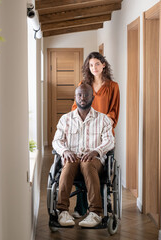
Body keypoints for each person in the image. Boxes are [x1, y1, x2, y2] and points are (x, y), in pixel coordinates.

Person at [52, 83, 115, 228]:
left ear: (92, 97)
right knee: (68, 163)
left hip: (94, 161)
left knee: (87, 163)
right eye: (79, 95)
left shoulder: (103, 119)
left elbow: (110, 141)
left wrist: (96, 151)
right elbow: (57, 141)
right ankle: (62, 211)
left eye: (86, 95)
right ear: (75, 97)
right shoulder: (65, 119)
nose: (82, 98)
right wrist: (64, 151)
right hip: (72, 158)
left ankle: (95, 213)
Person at [71, 52, 120, 218]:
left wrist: (101, 123)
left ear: (103, 65)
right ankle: (80, 206)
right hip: (84, 134)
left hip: (103, 135)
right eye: (91, 65)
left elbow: (114, 112)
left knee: (102, 172)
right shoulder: (83, 85)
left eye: (97, 64)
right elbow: (74, 108)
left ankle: (103, 203)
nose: (94, 68)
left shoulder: (113, 86)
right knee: (81, 164)